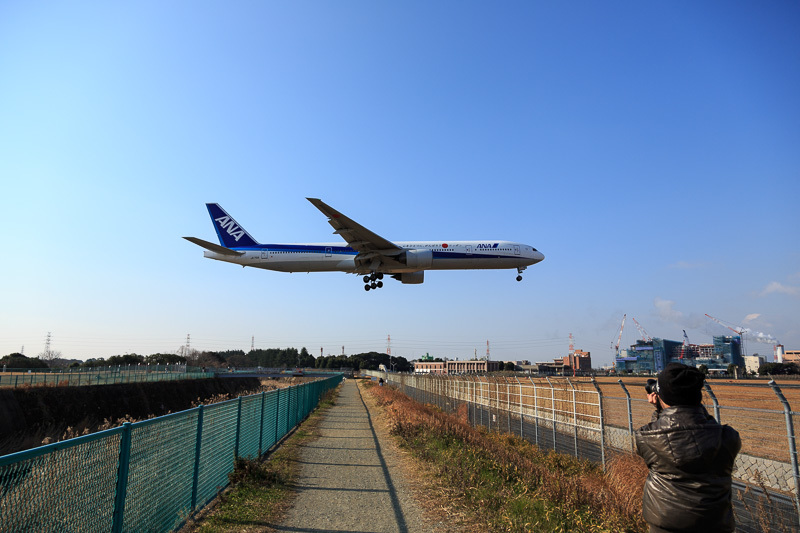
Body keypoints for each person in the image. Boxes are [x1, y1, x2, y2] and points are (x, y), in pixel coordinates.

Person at [634, 363, 741, 533]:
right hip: (716, 523)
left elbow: (660, 431)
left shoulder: (646, 438)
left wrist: (659, 409)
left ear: (662, 397)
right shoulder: (728, 438)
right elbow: (704, 426)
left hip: (665, 523)